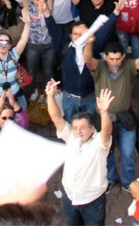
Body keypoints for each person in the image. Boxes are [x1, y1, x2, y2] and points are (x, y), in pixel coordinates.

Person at [84, 30, 139, 192]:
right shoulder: (99, 67)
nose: (115, 62)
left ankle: (128, 182)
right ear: (105, 57)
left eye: (118, 58)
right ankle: (111, 178)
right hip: (104, 118)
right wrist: (89, 42)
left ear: (123, 57)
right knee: (107, 152)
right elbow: (87, 60)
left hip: (125, 116)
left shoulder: (129, 67)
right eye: (111, 59)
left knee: (128, 153)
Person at [45, 80, 114, 226]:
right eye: (75, 128)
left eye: (82, 128)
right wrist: (50, 96)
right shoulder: (70, 136)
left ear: (92, 128)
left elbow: (107, 131)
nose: (78, 131)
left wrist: (104, 112)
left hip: (93, 201)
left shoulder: (99, 143)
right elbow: (56, 118)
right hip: (69, 198)